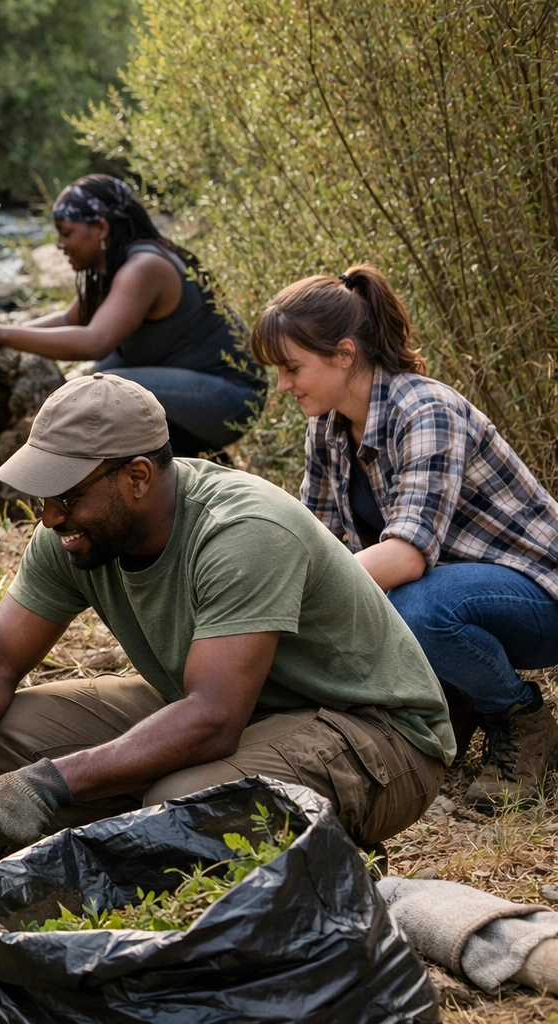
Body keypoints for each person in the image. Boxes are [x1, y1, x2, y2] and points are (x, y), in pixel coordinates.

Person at [0, 372, 453, 872]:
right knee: (7, 734)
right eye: (43, 497)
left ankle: (282, 839)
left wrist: (49, 784)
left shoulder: (243, 530)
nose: (50, 517)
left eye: (66, 496)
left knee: (182, 795)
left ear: (136, 476)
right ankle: (183, 832)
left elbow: (212, 718)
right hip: (241, 709)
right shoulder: (70, 536)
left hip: (376, 735)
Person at [249, 264, 558, 810]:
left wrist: (300, 595)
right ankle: (449, 710)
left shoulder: (425, 409)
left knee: (415, 604)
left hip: (538, 596)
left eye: (292, 368)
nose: (283, 385)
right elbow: (315, 542)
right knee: (346, 606)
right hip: (464, 599)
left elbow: (408, 556)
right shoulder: (326, 426)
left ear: (344, 354)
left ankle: (520, 717)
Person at [0, 174, 266, 457]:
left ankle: (188, 460)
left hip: (232, 398)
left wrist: (2, 334)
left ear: (101, 227)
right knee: (103, 374)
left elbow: (95, 341)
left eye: (67, 233)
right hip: (195, 389)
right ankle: (187, 458)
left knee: (105, 388)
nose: (60, 245)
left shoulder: (145, 266)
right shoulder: (113, 266)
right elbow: (68, 321)